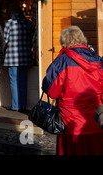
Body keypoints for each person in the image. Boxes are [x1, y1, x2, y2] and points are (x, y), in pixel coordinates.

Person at [42, 26, 103, 155]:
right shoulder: (98, 61)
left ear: (64, 41)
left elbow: (52, 91)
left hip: (70, 123)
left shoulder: (61, 61)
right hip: (96, 122)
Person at [3, 5, 34, 113]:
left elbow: (5, 41)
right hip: (25, 57)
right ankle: (23, 105)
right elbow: (32, 39)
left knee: (14, 81)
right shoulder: (28, 23)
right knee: (23, 82)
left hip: (12, 57)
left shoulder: (9, 23)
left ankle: (16, 106)